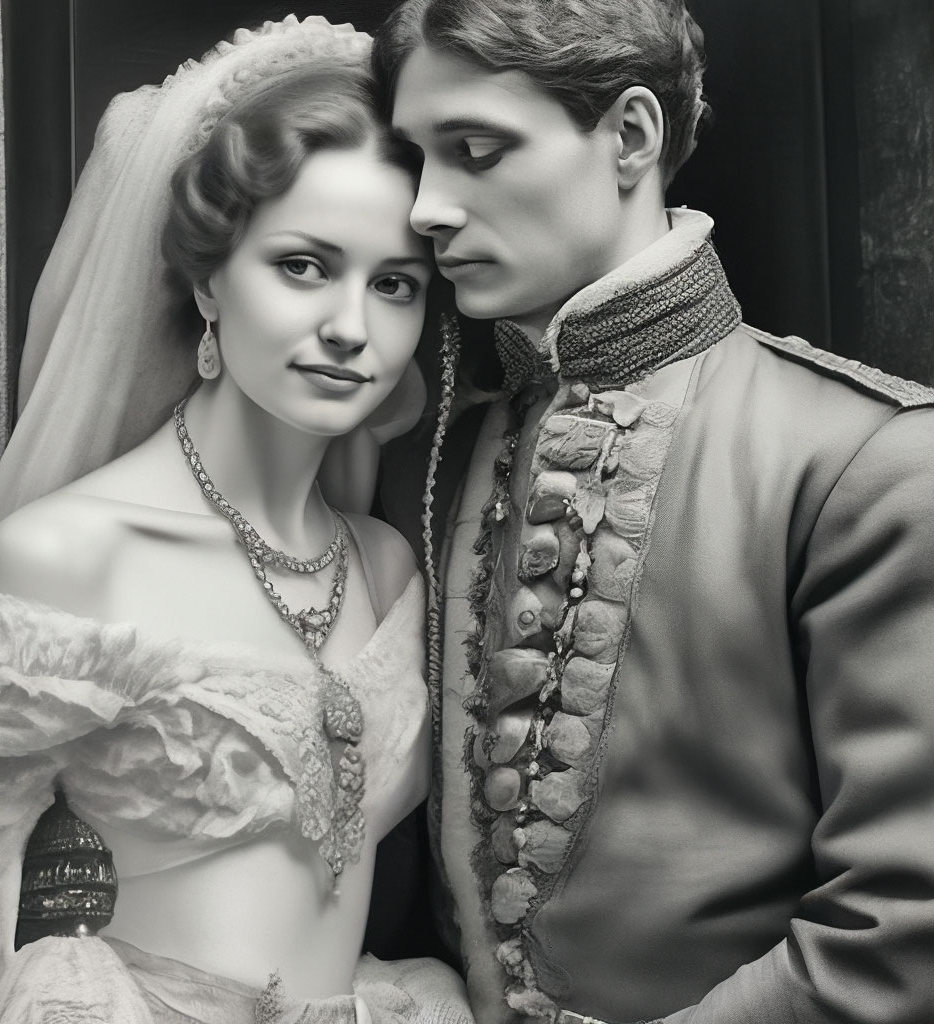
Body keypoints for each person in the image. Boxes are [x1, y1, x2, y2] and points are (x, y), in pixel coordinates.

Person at [371, 1, 934, 1022]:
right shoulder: (428, 458)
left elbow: (902, 921)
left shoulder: (864, 457)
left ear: (630, 135)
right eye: (416, 158)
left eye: (476, 150)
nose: (427, 207)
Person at [0, 17, 472, 1024]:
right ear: (210, 279)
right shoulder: (70, 554)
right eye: (303, 265)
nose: (351, 328)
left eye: (394, 284)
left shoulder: (386, 565)